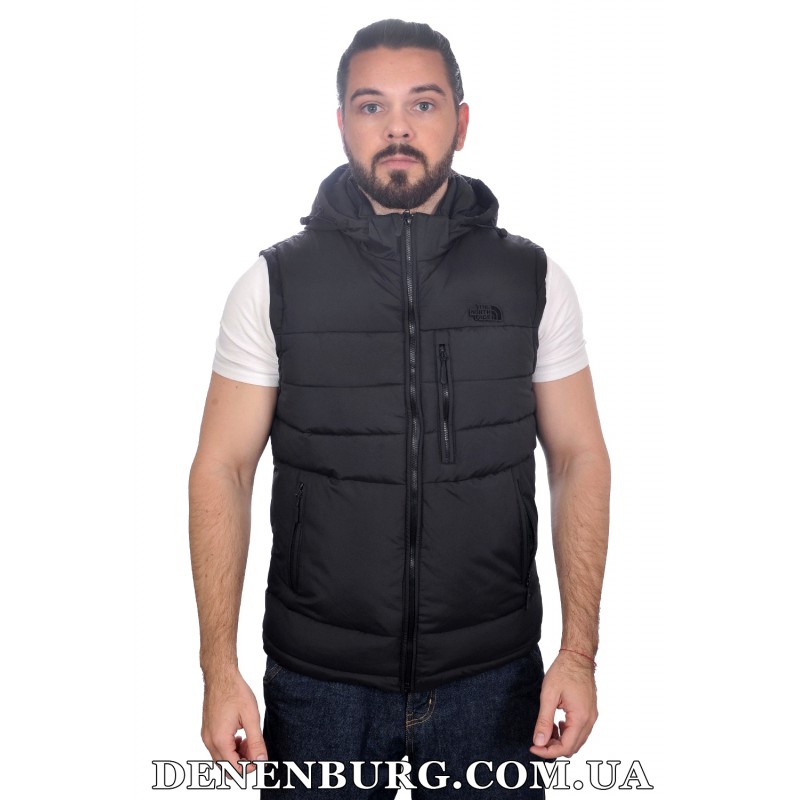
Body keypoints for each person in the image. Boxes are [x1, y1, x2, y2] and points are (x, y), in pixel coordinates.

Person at [189, 19, 610, 798]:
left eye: (422, 103)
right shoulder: (275, 284)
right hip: (320, 684)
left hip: (493, 679)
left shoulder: (531, 279)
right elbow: (223, 469)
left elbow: (579, 458)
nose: (398, 129)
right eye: (371, 106)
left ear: (461, 120)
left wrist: (578, 654)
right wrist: (219, 667)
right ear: (341, 122)